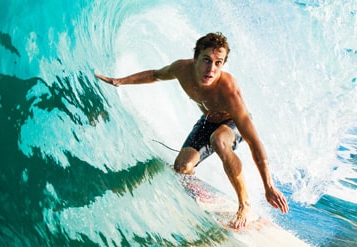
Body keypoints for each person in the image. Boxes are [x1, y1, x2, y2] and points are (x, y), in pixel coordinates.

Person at [95, 32, 289, 229]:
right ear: (196, 57)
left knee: (219, 140)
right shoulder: (182, 68)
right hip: (207, 121)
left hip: (231, 125)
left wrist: (269, 186)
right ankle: (195, 187)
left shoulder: (230, 92)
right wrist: (120, 81)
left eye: (218, 63)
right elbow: (155, 75)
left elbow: (254, 141)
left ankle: (244, 204)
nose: (211, 69)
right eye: (207, 60)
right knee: (181, 167)